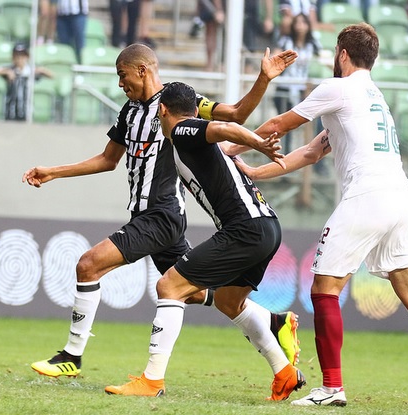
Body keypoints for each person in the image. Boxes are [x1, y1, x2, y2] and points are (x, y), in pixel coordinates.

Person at [229, 23, 408, 411]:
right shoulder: (374, 97)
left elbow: (279, 125)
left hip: (367, 196)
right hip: (399, 197)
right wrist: (254, 172)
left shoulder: (338, 89)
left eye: (336, 52)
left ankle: (332, 388)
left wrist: (228, 148)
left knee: (323, 288)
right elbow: (312, 153)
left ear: (342, 54)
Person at [22, 43, 301, 381]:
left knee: (88, 265)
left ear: (143, 69)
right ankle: (275, 321)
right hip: (147, 216)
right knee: (193, 291)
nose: (121, 84)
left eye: (123, 76)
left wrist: (263, 78)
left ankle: (72, 356)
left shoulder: (181, 102)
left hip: (161, 214)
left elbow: (237, 115)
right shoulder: (128, 112)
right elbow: (108, 160)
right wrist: (54, 172)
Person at [104, 81, 305, 400]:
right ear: (196, 109)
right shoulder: (187, 141)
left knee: (169, 287)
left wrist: (258, 142)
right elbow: (226, 129)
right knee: (228, 301)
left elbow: (226, 126)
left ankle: (151, 380)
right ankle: (283, 372)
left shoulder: (183, 131)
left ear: (162, 110)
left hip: (245, 228)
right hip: (267, 227)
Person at [273, 12, 320, 152]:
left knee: (308, 125)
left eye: (303, 23)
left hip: (303, 90)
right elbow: (275, 57)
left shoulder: (313, 44)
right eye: (297, 22)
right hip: (285, 88)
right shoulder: (285, 41)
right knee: (284, 126)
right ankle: (284, 156)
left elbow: (323, 59)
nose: (300, 26)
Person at [0, 43, 54, 121]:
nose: (20, 59)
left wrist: (41, 70)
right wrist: (7, 72)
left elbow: (51, 75)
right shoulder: (10, 69)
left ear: (27, 57)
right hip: (11, 111)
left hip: (26, 110)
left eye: (22, 56)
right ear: (13, 58)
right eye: (17, 56)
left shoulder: (30, 71)